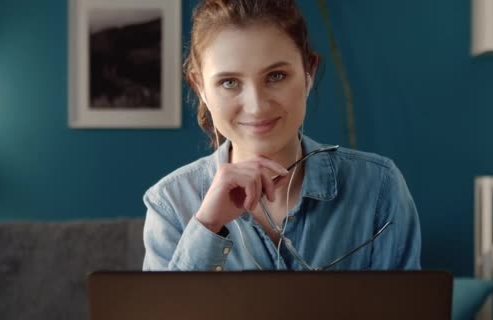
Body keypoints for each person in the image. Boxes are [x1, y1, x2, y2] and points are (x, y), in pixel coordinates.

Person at [142, 0, 420, 271]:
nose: (257, 106)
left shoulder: (379, 188)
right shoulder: (170, 204)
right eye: (229, 82)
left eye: (275, 76)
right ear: (199, 85)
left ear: (308, 72)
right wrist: (207, 227)